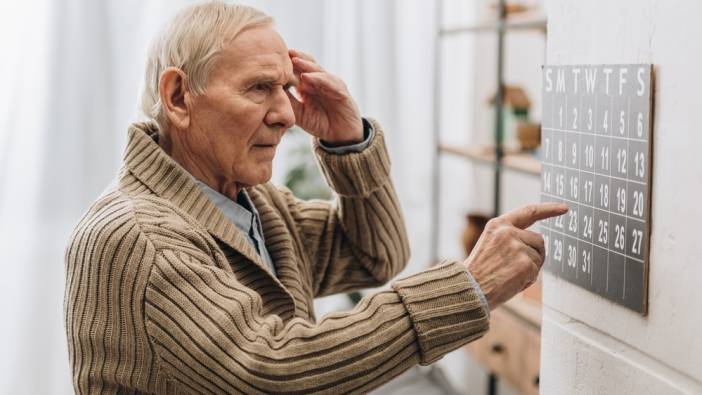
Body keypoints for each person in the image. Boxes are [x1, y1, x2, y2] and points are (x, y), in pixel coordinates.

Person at [64, 2, 567, 393]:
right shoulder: (135, 236)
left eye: (287, 86)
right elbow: (272, 372)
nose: (286, 113)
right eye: (260, 87)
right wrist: (469, 287)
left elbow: (375, 255)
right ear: (178, 97)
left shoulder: (255, 206)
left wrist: (349, 142)